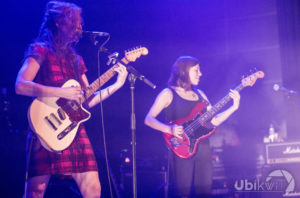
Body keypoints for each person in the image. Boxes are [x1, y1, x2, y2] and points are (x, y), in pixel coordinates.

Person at [15, 1, 128, 198]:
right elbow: (21, 85)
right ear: (59, 22)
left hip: (74, 129)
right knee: (36, 191)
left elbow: (88, 100)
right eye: (75, 21)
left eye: (80, 22)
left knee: (93, 188)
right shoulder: (40, 50)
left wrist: (116, 85)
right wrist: (61, 93)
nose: (79, 26)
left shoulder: (76, 60)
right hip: (45, 126)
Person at [144, 56, 240, 197]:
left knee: (205, 192)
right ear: (184, 71)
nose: (200, 74)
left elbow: (214, 120)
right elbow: (149, 119)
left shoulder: (200, 94)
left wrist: (234, 107)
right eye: (196, 70)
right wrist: (169, 129)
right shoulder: (168, 93)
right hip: (181, 147)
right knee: (183, 193)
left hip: (203, 148)